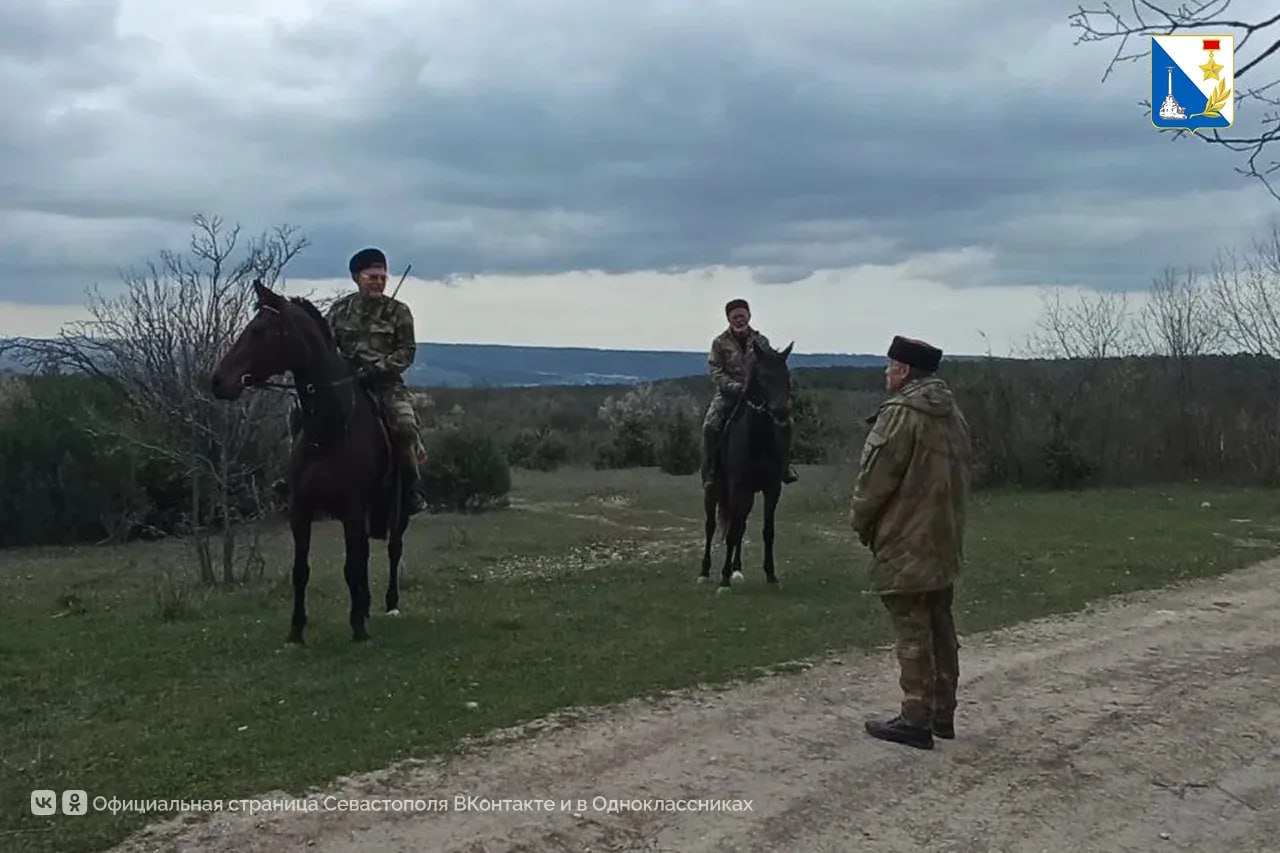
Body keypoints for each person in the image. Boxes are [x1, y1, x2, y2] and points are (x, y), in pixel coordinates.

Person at [850, 335, 971, 749]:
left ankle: (914, 717)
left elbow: (875, 480)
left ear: (903, 370)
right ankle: (943, 713)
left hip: (905, 536)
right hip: (944, 536)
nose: (886, 372)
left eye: (890, 366)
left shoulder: (900, 413)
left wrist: (861, 521)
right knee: (940, 623)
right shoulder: (952, 413)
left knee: (912, 626)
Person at [325, 247, 428, 515]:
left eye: (382, 277)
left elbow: (407, 351)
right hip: (345, 384)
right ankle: (295, 478)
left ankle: (411, 488)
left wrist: (378, 368)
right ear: (356, 277)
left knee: (405, 427)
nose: (378, 282)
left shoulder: (398, 312)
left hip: (386, 385)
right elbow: (325, 347)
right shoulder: (339, 311)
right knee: (300, 412)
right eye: (372, 276)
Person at [701, 298, 798, 489]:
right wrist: (734, 387)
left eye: (742, 316)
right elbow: (716, 371)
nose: (739, 320)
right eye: (735, 317)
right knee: (710, 426)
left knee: (786, 423)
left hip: (758, 396)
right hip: (729, 395)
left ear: (749, 316)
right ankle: (710, 470)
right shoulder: (719, 343)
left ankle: (785, 467)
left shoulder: (761, 341)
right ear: (729, 319)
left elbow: (770, 367)